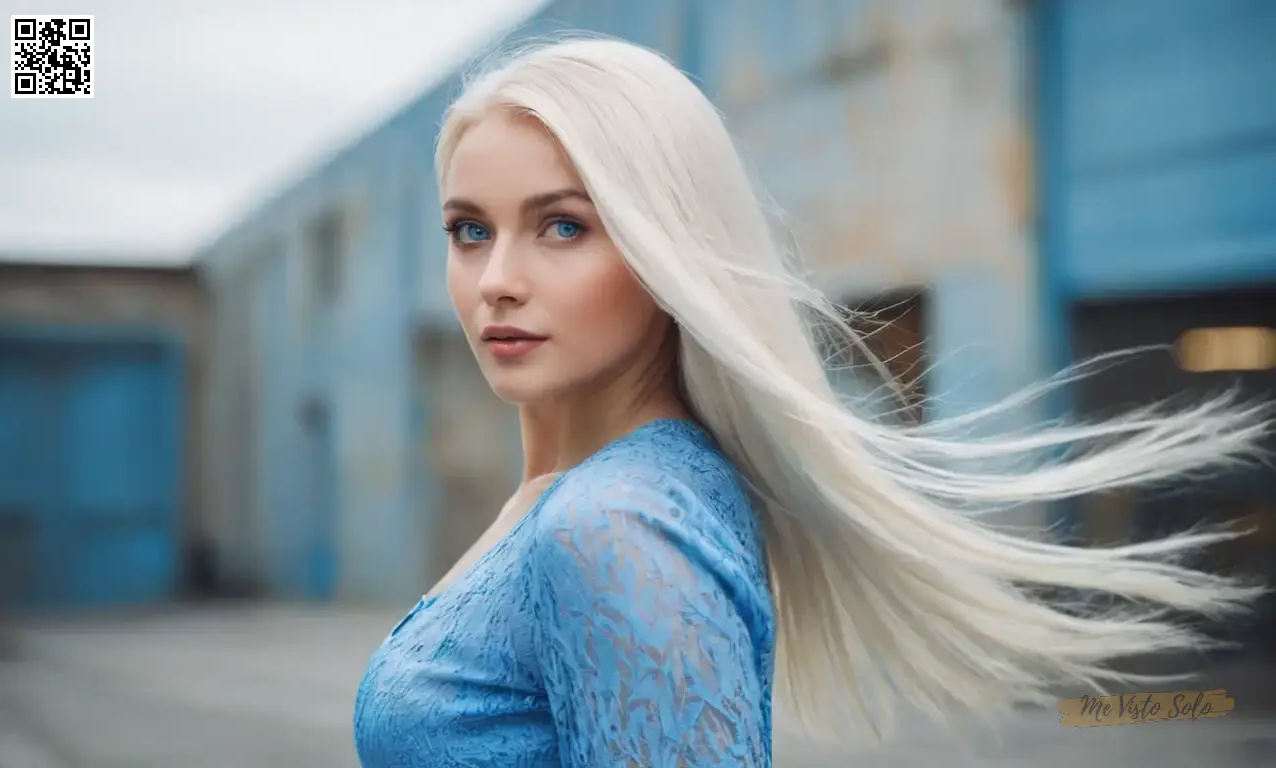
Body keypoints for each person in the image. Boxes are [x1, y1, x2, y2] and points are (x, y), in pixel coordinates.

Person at [352, 35, 1271, 767]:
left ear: (664, 247)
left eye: (563, 226)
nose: (497, 280)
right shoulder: (576, 496)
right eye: (469, 230)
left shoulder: (613, 525)